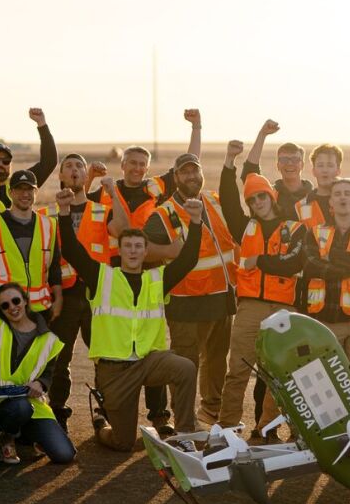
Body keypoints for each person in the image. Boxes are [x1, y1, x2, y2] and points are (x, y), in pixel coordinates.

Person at [56, 192, 204, 452]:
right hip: (114, 371)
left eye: (138, 246)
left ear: (146, 251)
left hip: (148, 362)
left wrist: (196, 221)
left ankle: (184, 434)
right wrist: (65, 213)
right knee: (123, 442)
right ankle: (101, 423)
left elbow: (188, 259)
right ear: (120, 250)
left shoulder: (157, 279)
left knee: (185, 368)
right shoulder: (102, 277)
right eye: (128, 246)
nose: (133, 251)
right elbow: (71, 250)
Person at [89, 109, 202, 430]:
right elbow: (99, 221)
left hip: (152, 276)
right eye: (132, 163)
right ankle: (106, 408)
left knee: (152, 346)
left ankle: (159, 415)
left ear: (148, 167)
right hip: (116, 275)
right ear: (122, 165)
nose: (137, 169)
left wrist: (196, 126)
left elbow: (189, 159)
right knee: (111, 346)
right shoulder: (106, 192)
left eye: (142, 164)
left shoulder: (155, 187)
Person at [0, 222, 76, 465]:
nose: (11, 308)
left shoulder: (48, 338)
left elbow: (48, 373)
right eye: (4, 305)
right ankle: (6, 436)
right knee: (20, 409)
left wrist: (41, 384)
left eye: (15, 301)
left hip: (32, 404)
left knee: (65, 454)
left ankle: (26, 432)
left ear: (25, 301)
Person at [144, 149, 239, 426]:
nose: (191, 176)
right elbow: (143, 248)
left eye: (194, 171)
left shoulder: (215, 202)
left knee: (217, 363)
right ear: (176, 177)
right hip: (187, 301)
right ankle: (185, 421)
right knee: (186, 365)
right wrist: (171, 251)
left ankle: (210, 413)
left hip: (221, 299)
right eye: (184, 172)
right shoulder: (165, 213)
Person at [219, 142, 307, 432]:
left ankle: (266, 427)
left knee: (280, 372)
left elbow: (293, 264)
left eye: (262, 196)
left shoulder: (294, 227)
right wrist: (230, 161)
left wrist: (260, 260)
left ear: (271, 196)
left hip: (283, 307)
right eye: (252, 199)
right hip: (250, 306)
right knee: (238, 370)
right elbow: (229, 198)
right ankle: (228, 426)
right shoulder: (243, 227)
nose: (257, 201)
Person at [40, 153, 115, 428]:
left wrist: (113, 193)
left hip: (97, 294)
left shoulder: (102, 211)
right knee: (60, 357)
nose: (73, 170)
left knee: (104, 356)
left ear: (87, 176)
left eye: (79, 166)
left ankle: (104, 409)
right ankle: (57, 410)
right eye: (68, 166)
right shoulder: (47, 215)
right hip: (66, 296)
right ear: (60, 176)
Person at [302, 178, 350, 395]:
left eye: (348, 193)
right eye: (337, 193)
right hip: (326, 321)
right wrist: (348, 265)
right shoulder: (315, 233)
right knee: (325, 385)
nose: (343, 197)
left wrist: (332, 258)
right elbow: (309, 266)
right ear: (330, 202)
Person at [254, 109, 350, 228]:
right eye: (320, 165)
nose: (325, 170)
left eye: (330, 165)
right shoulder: (299, 208)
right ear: (313, 170)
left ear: (338, 170)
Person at [0, 169, 63, 315]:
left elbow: (54, 267)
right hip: (5, 309)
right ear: (10, 193)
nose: (25, 194)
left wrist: (59, 299)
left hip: (40, 309)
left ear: (35, 193)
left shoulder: (49, 225)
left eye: (30, 189)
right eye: (20, 189)